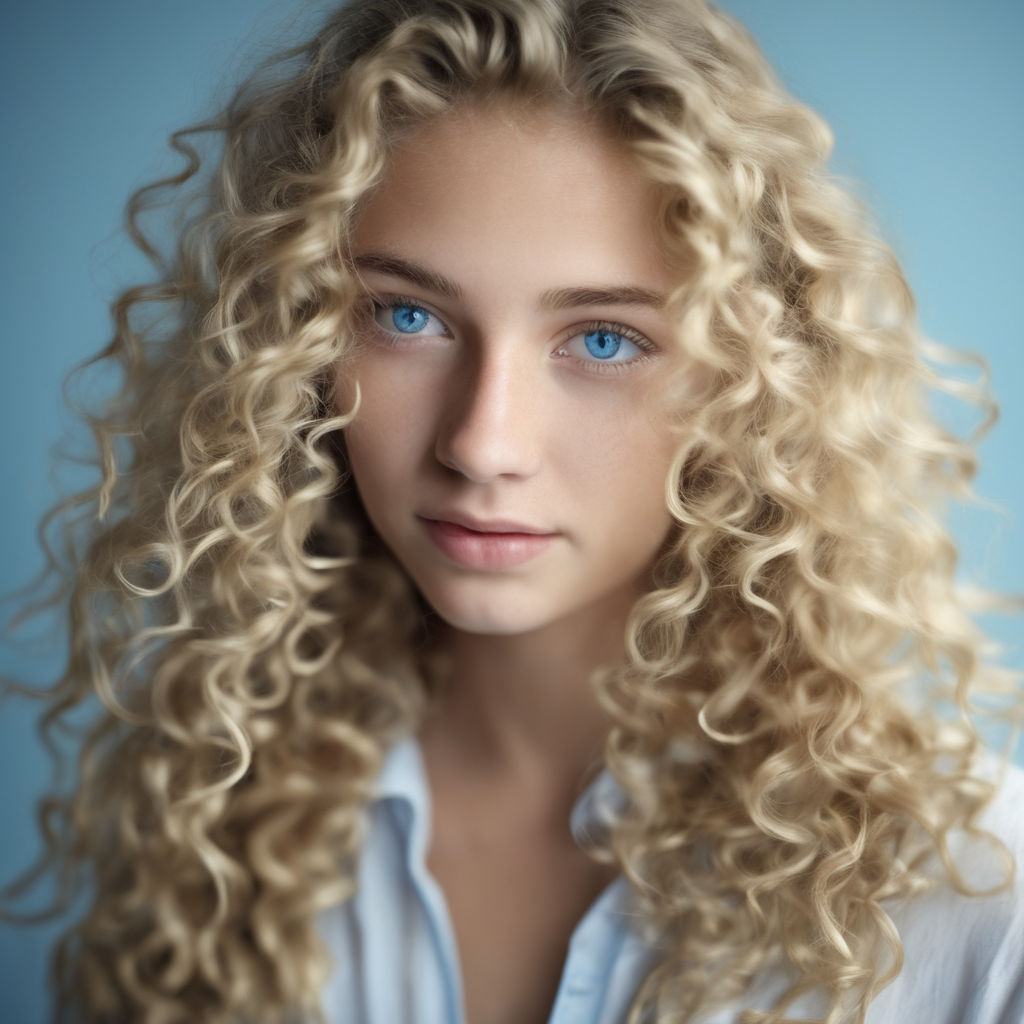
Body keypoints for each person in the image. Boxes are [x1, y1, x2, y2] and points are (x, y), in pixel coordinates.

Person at [3, 0, 1022, 1021]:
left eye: (604, 339)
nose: (482, 444)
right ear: (298, 342)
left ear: (753, 381)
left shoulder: (973, 904)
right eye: (407, 316)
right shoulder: (219, 817)